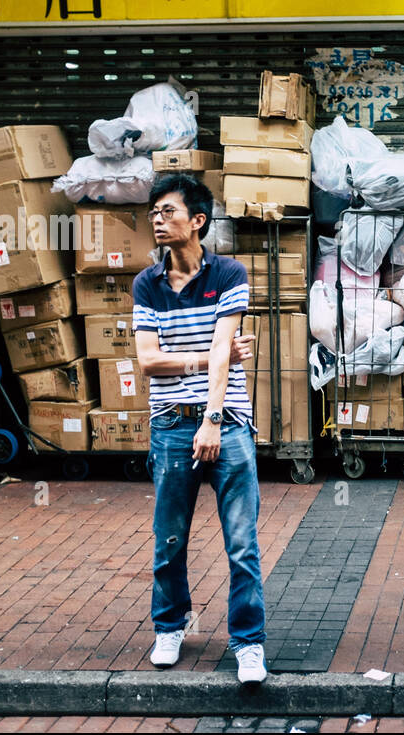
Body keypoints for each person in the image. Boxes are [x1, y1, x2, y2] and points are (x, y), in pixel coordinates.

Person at [132, 173, 268, 684]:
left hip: (227, 425)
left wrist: (212, 419)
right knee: (169, 538)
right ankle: (170, 627)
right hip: (168, 427)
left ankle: (248, 643)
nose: (157, 221)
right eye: (153, 214)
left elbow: (223, 352)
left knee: (241, 542)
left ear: (198, 221)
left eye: (168, 212)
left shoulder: (228, 274)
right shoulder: (147, 283)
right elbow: (148, 362)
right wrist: (207, 357)